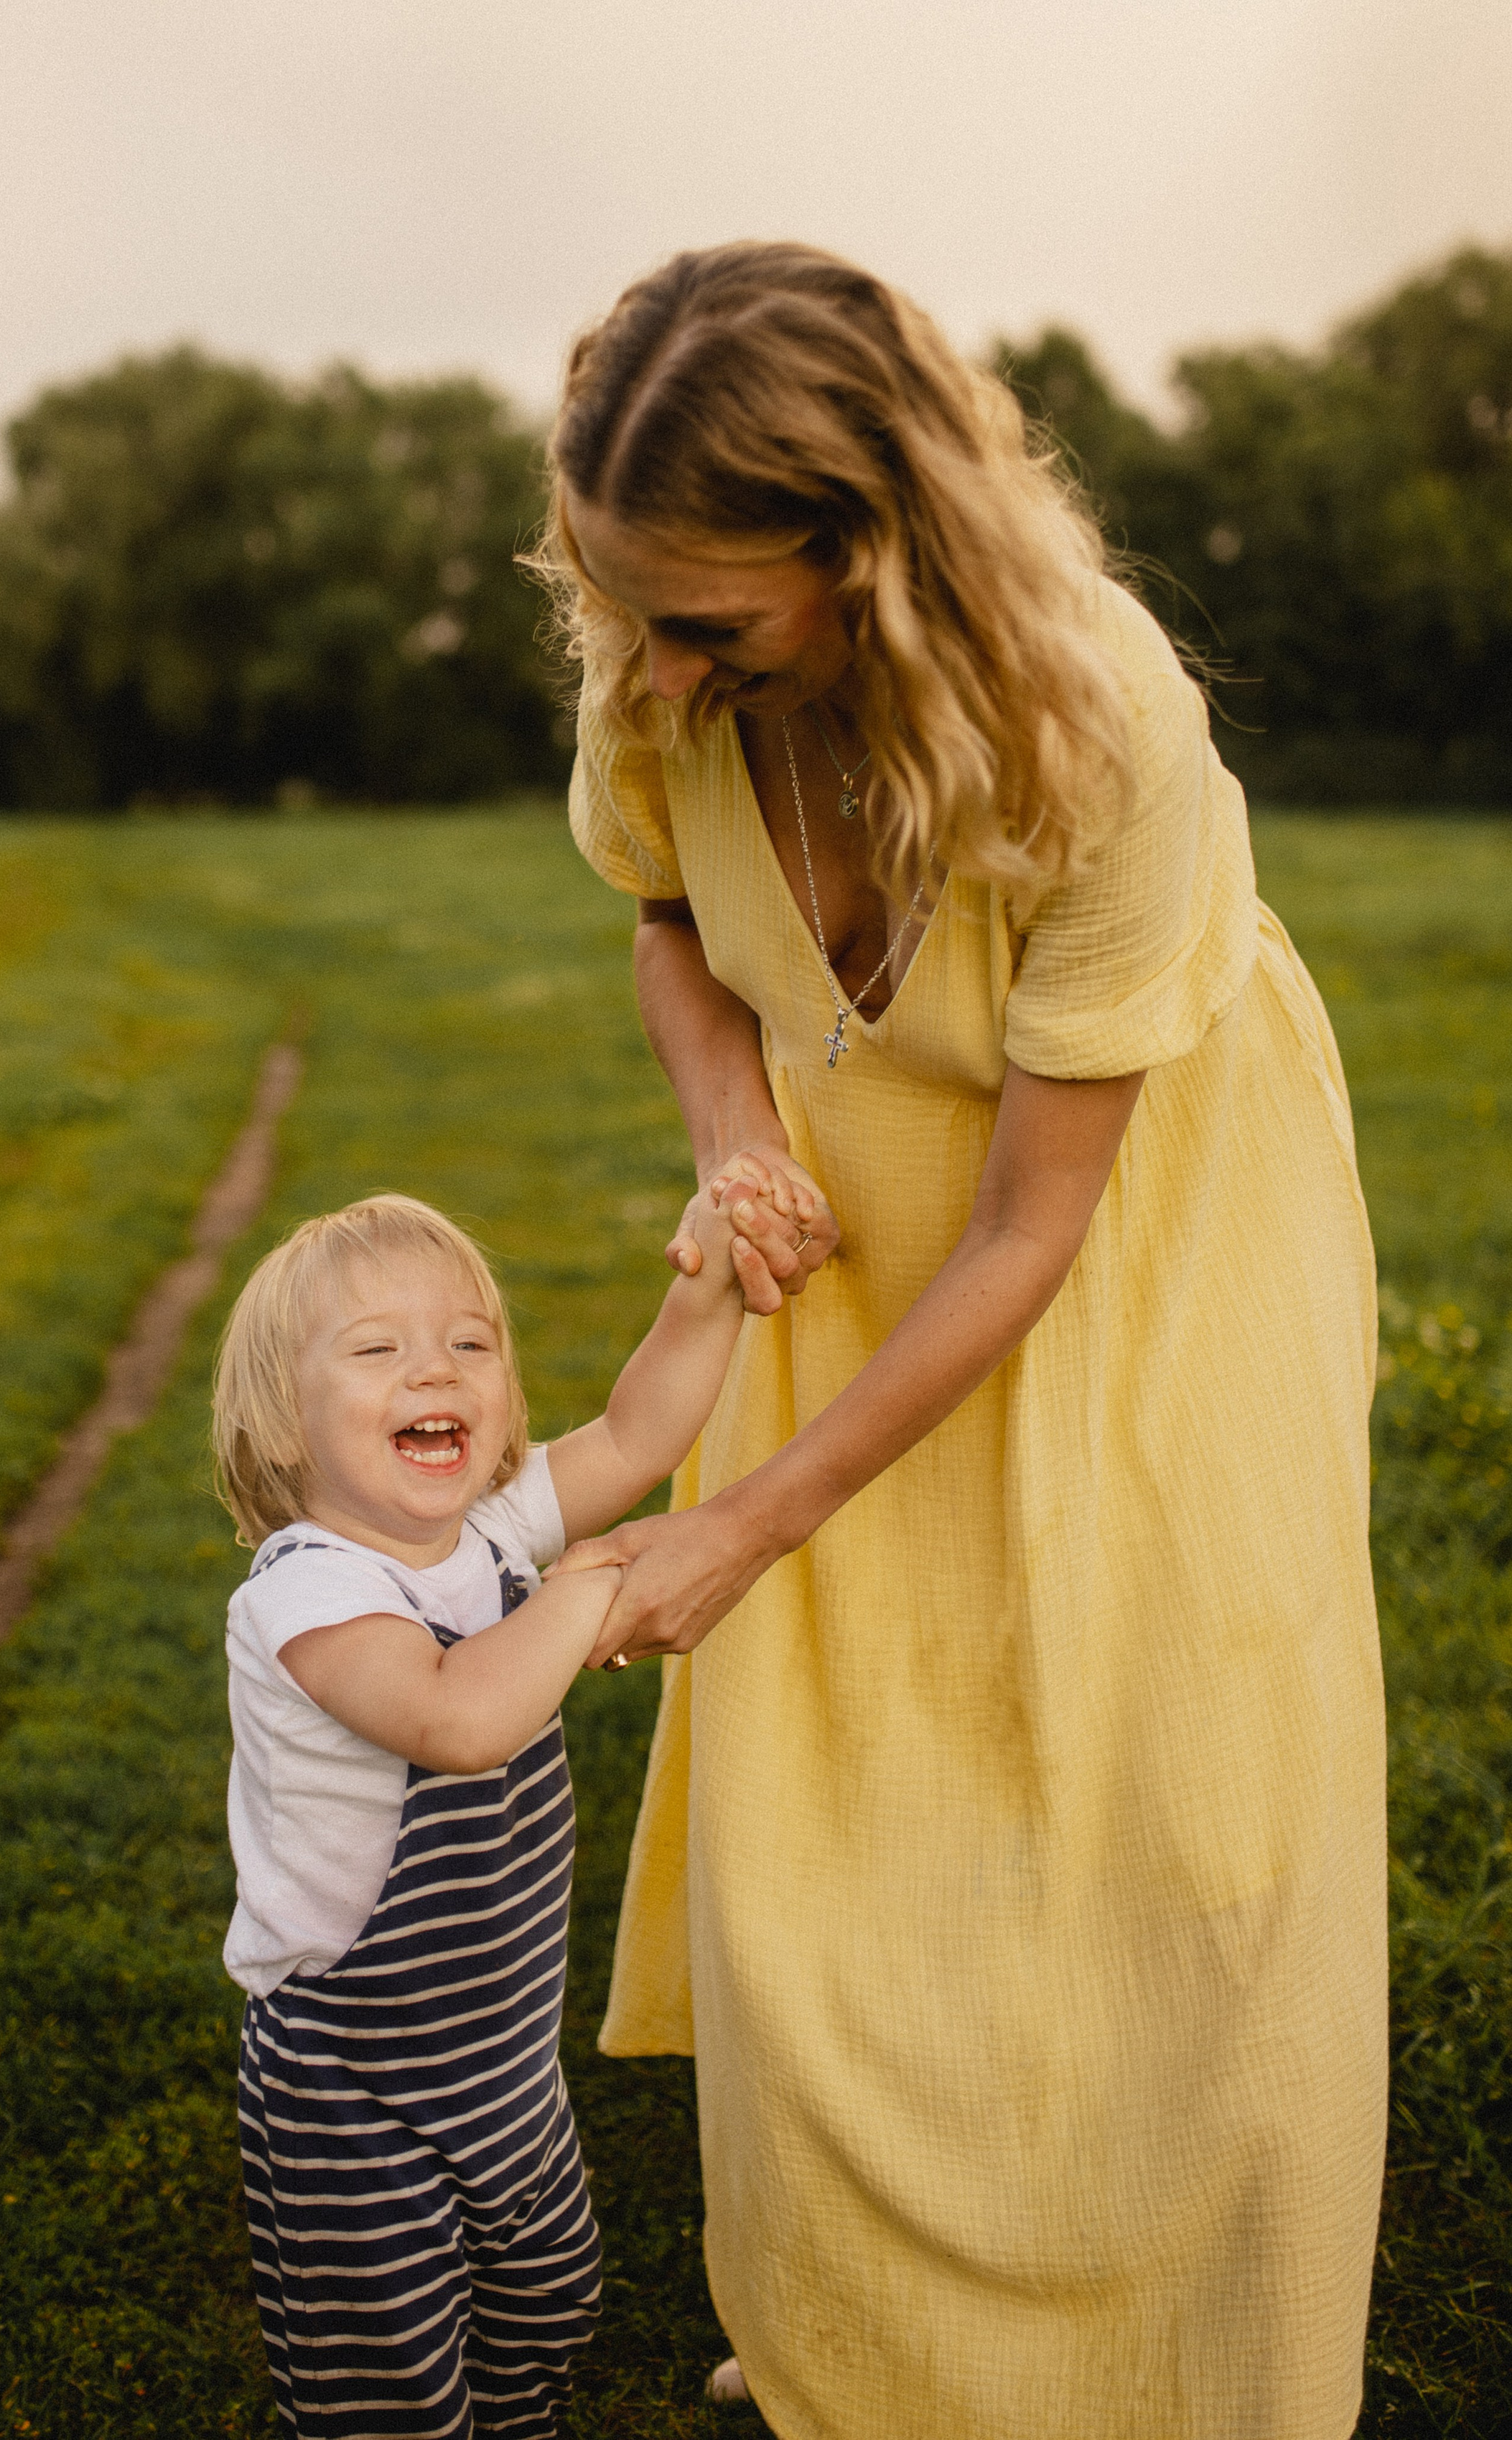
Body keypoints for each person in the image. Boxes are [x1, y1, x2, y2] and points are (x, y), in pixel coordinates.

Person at [536, 243, 1386, 2440]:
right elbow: (670, 924)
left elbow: (1040, 1219)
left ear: (877, 559)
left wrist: (756, 1523)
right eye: (622, 601)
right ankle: (859, 2331)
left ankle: (1174, 2343)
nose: (648, 659)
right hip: (846, 1250)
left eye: (709, 615)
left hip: (1126, 1254)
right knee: (845, 1796)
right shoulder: (661, 666)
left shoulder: (1105, 734)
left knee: (1145, 1784)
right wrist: (734, 1133)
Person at [212, 1190, 746, 2437]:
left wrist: (710, 1282)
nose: (433, 1369)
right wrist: (588, 1582)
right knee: (389, 2381)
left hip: (504, 2056)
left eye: (469, 1342)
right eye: (377, 1348)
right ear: (284, 1419)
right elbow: (459, 1719)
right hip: (357, 2090)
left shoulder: (488, 1530)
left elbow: (634, 1428)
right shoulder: (307, 1591)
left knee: (549, 2302)